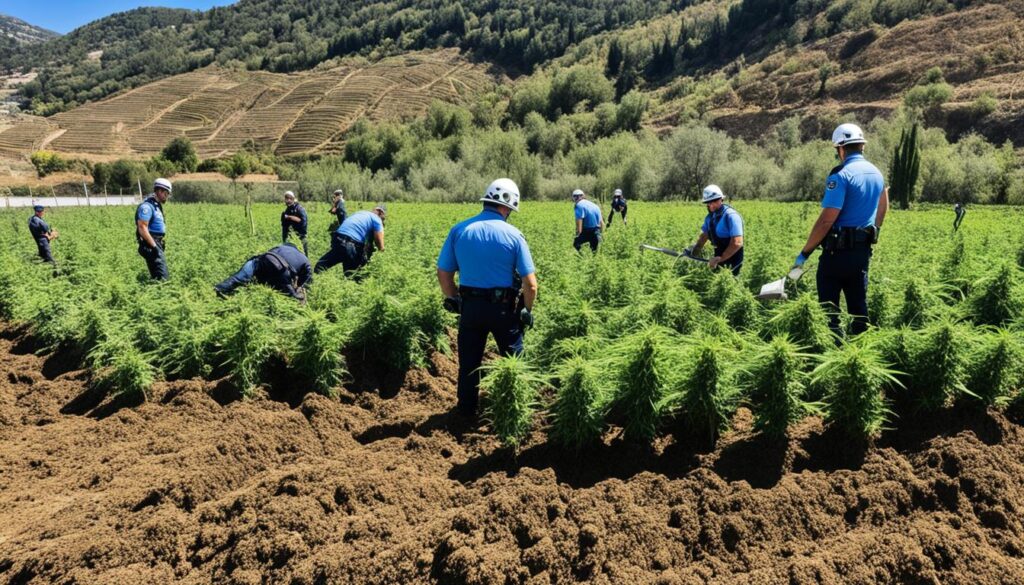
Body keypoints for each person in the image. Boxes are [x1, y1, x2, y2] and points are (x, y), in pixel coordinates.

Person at [437, 178, 538, 417]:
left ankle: (465, 412)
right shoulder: (514, 235)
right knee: (514, 361)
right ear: (507, 206)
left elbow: (444, 273)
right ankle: (516, 411)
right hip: (504, 309)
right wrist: (526, 311)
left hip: (471, 307)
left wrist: (455, 299)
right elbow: (530, 285)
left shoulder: (459, 230)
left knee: (469, 363)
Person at [794, 123, 888, 337]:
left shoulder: (841, 175)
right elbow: (884, 205)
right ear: (862, 146)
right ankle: (859, 354)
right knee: (858, 309)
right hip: (861, 252)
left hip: (837, 254)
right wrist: (875, 231)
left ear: (841, 149)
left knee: (829, 312)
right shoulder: (876, 173)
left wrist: (804, 253)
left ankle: (833, 352)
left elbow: (827, 221)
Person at [214, 243, 312, 301]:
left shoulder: (282, 247)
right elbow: (307, 274)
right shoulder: (305, 260)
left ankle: (217, 290)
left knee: (238, 278)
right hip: (281, 270)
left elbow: (268, 254)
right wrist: (298, 286)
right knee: (292, 296)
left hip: (263, 260)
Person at [685, 185, 744, 276]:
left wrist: (720, 259)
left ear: (721, 199)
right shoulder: (710, 218)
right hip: (717, 260)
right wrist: (693, 253)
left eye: (715, 201)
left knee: (730, 286)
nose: (712, 205)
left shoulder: (731, 216)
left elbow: (737, 243)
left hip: (733, 261)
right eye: (709, 202)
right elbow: (703, 237)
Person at [314, 204, 386, 275]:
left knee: (320, 266)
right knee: (352, 276)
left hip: (338, 239)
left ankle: (311, 281)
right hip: (351, 244)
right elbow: (379, 243)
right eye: (383, 218)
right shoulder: (377, 219)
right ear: (380, 213)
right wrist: (381, 258)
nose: (383, 220)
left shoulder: (360, 213)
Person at [136, 178, 171, 280]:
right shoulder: (147, 207)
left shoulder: (156, 206)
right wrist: (154, 246)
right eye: (166, 193)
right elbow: (142, 227)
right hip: (151, 243)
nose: (167, 196)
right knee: (162, 279)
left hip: (155, 242)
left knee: (157, 276)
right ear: (159, 191)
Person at [281, 191, 308, 256]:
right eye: (286, 198)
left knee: (303, 254)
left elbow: (303, 223)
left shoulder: (299, 209)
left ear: (293, 199)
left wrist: (291, 217)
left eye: (290, 198)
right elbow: (285, 226)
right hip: (291, 237)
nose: (288, 200)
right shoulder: (287, 210)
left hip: (300, 236)